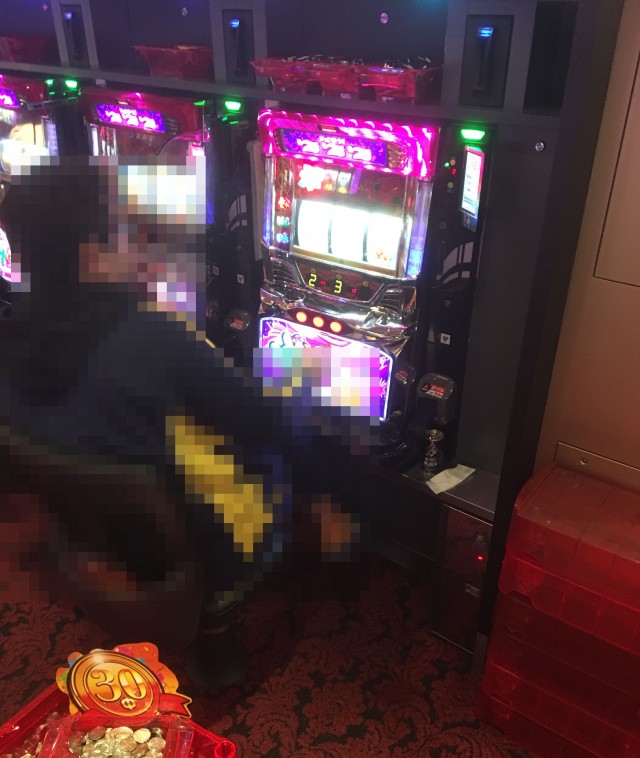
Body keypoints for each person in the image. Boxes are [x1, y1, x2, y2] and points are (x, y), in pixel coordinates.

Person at [0, 157, 379, 686]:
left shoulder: (12, 330)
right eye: (127, 230)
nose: (143, 242)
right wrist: (320, 385)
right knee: (325, 433)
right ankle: (327, 550)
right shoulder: (148, 335)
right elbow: (262, 421)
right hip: (182, 535)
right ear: (90, 253)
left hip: (86, 533)